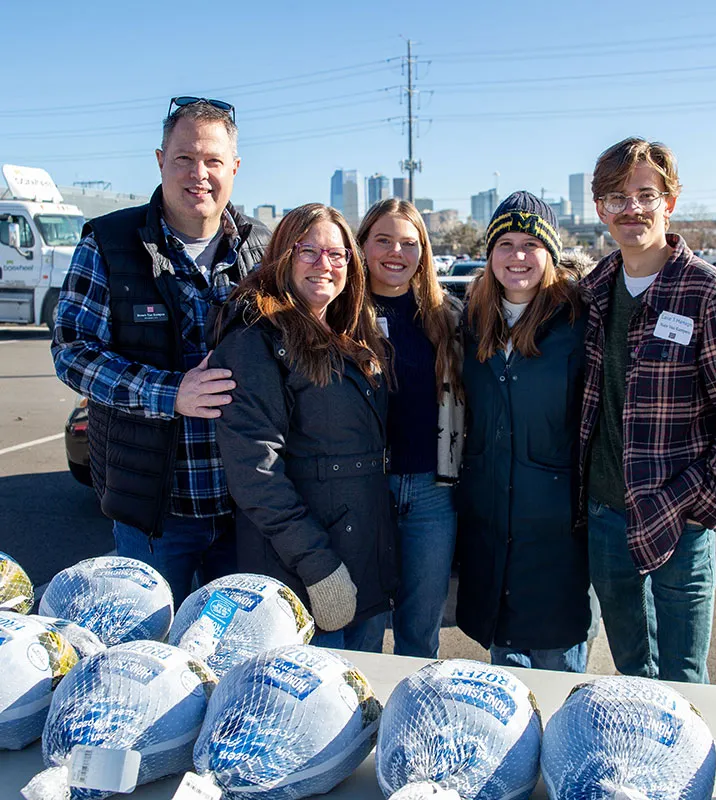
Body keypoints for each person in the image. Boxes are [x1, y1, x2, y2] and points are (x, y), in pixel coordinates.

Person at [51, 97, 270, 607]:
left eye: (213, 161)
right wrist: (170, 393)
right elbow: (72, 352)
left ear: (233, 168)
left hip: (246, 511)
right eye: (184, 159)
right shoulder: (109, 243)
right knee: (146, 654)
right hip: (154, 514)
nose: (199, 174)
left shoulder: (262, 250)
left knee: (236, 657)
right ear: (159, 160)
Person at [580, 137, 716, 683]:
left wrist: (701, 509)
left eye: (646, 194)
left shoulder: (712, 294)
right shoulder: (592, 293)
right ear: (600, 210)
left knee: (684, 678)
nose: (632, 209)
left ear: (670, 200)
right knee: (631, 672)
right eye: (616, 198)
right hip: (605, 514)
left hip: (679, 518)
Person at [209, 203, 397, 651]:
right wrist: (318, 566)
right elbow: (256, 472)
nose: (324, 265)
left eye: (337, 254)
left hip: (362, 561)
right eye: (307, 251)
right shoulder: (257, 341)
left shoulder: (348, 334)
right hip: (305, 570)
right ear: (282, 256)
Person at [455, 191, 592, 672]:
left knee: (558, 684)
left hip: (556, 536)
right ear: (489, 254)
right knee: (506, 693)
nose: (517, 257)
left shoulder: (580, 322)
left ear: (551, 254)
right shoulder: (470, 322)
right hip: (491, 528)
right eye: (505, 243)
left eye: (530, 244)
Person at [356, 198, 464, 659]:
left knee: (420, 629)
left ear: (424, 251)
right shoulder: (338, 314)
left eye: (408, 242)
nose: (395, 252)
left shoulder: (448, 317)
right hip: (362, 489)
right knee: (362, 626)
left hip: (431, 493)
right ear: (361, 245)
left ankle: (411, 725)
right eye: (383, 240)